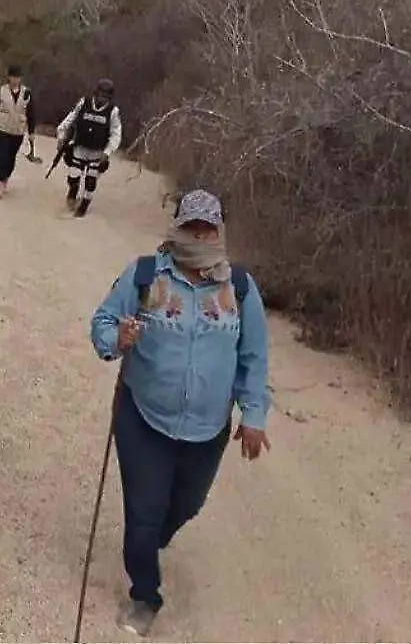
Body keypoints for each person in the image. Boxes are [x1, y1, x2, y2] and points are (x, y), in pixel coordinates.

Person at [89, 189, 271, 637]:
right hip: (143, 418)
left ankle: (150, 541)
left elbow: (254, 356)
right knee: (145, 510)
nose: (200, 235)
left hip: (207, 429)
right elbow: (102, 324)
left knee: (187, 504)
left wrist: (254, 415)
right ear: (178, 227)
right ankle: (145, 594)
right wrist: (119, 338)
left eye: (208, 227)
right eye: (192, 226)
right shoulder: (146, 274)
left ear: (219, 231)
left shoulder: (241, 288)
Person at [55, 78, 122, 219]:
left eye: (105, 97)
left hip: (98, 151)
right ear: (95, 94)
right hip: (80, 146)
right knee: (73, 175)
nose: (102, 99)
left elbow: (116, 134)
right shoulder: (83, 104)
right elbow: (70, 119)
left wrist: (107, 152)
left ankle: (84, 204)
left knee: (91, 180)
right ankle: (73, 192)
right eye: (100, 95)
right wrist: (61, 135)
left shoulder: (113, 111)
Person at [0, 64, 36, 199]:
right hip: (1, 128)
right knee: (0, 155)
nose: (15, 80)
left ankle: (5, 178)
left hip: (17, 131)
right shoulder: (1, 91)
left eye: (17, 77)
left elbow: (31, 113)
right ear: (9, 77)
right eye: (13, 77)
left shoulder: (27, 93)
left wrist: (32, 131)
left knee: (10, 158)